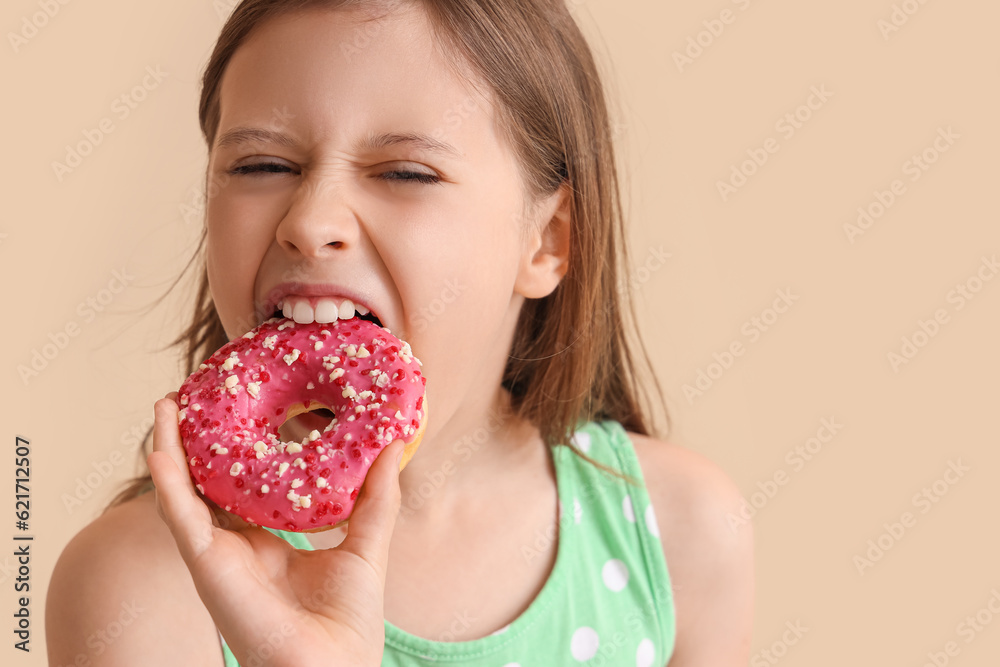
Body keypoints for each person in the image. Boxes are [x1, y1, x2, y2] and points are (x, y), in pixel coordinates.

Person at [46, 0, 754, 664]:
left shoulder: (680, 532)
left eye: (407, 173)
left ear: (547, 240)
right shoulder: (139, 588)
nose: (310, 221)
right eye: (262, 165)